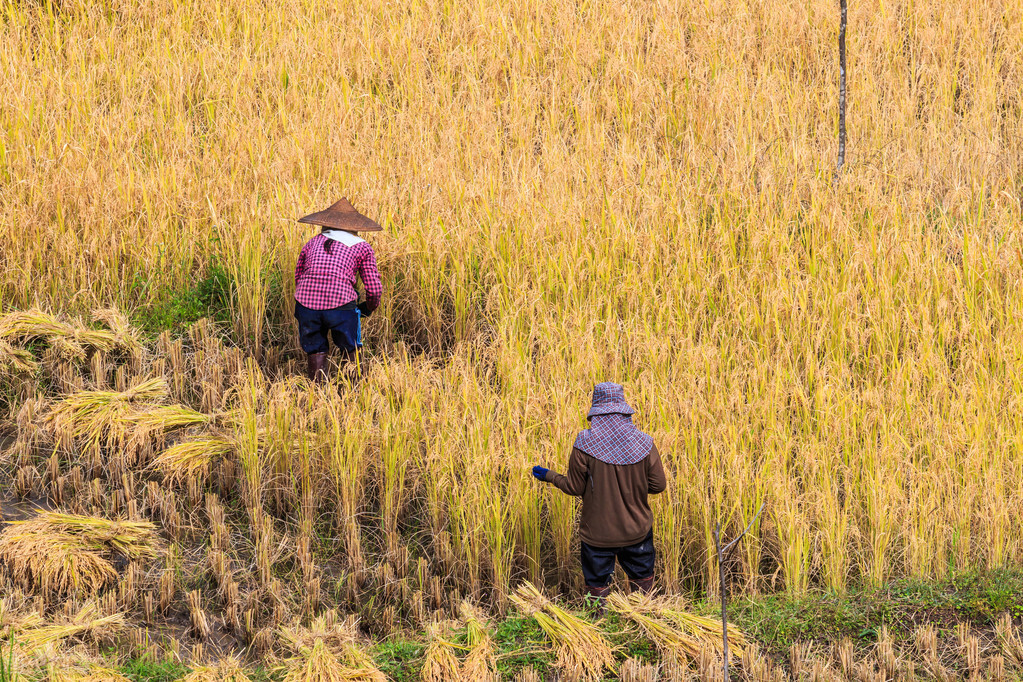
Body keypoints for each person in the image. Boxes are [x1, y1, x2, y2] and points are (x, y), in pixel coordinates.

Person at [531, 382, 667, 608]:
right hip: (637, 532)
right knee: (642, 585)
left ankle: (596, 625)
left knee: (596, 586)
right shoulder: (644, 443)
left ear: (596, 411)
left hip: (597, 536)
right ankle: (645, 619)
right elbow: (658, 485)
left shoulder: (584, 443)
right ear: (624, 410)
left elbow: (574, 488)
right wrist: (633, 486)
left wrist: (550, 476)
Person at [294, 198, 383, 381]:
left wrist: (311, 300)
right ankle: (353, 394)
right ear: (354, 226)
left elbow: (299, 275)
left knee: (315, 348)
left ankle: (316, 395)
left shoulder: (312, 242)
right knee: (351, 348)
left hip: (306, 304)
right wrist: (369, 307)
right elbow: (374, 289)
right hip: (340, 305)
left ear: (325, 224)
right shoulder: (362, 246)